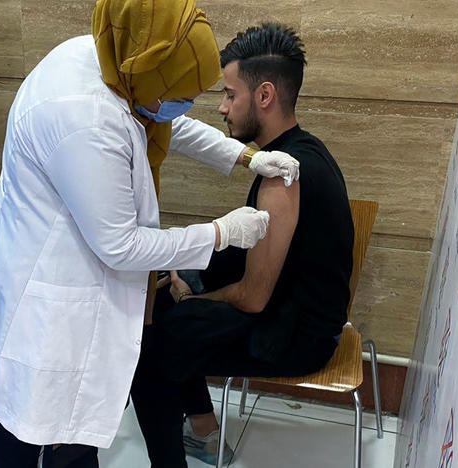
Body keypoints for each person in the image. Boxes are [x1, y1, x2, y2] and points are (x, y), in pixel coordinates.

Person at [0, 1, 301, 467]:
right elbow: (121, 245)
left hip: (75, 269)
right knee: (29, 423)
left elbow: (167, 114)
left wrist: (242, 157)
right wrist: (221, 233)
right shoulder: (84, 118)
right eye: (183, 92)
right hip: (46, 291)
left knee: (73, 428)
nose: (195, 104)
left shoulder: (115, 63)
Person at [130, 23, 355, 467]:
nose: (221, 107)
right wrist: (185, 281)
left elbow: (252, 299)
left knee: (150, 352)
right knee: (168, 297)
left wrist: (191, 294)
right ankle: (205, 433)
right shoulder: (299, 150)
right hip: (292, 309)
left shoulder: (282, 178)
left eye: (231, 94)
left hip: (299, 337)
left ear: (265, 95)